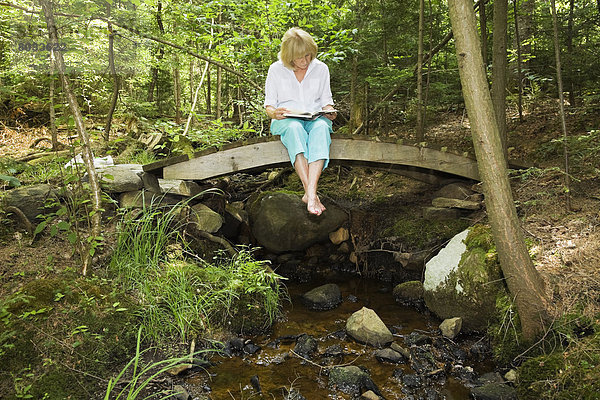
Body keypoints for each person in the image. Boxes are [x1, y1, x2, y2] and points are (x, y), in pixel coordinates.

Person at [264, 27, 337, 216]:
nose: (305, 61)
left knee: (321, 128)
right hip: (287, 121)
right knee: (295, 128)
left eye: (308, 56)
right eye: (299, 58)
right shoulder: (276, 69)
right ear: (289, 56)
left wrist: (329, 111)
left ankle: (309, 193)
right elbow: (269, 106)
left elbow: (326, 100)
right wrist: (274, 113)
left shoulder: (321, 68)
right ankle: (312, 194)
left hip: (315, 118)